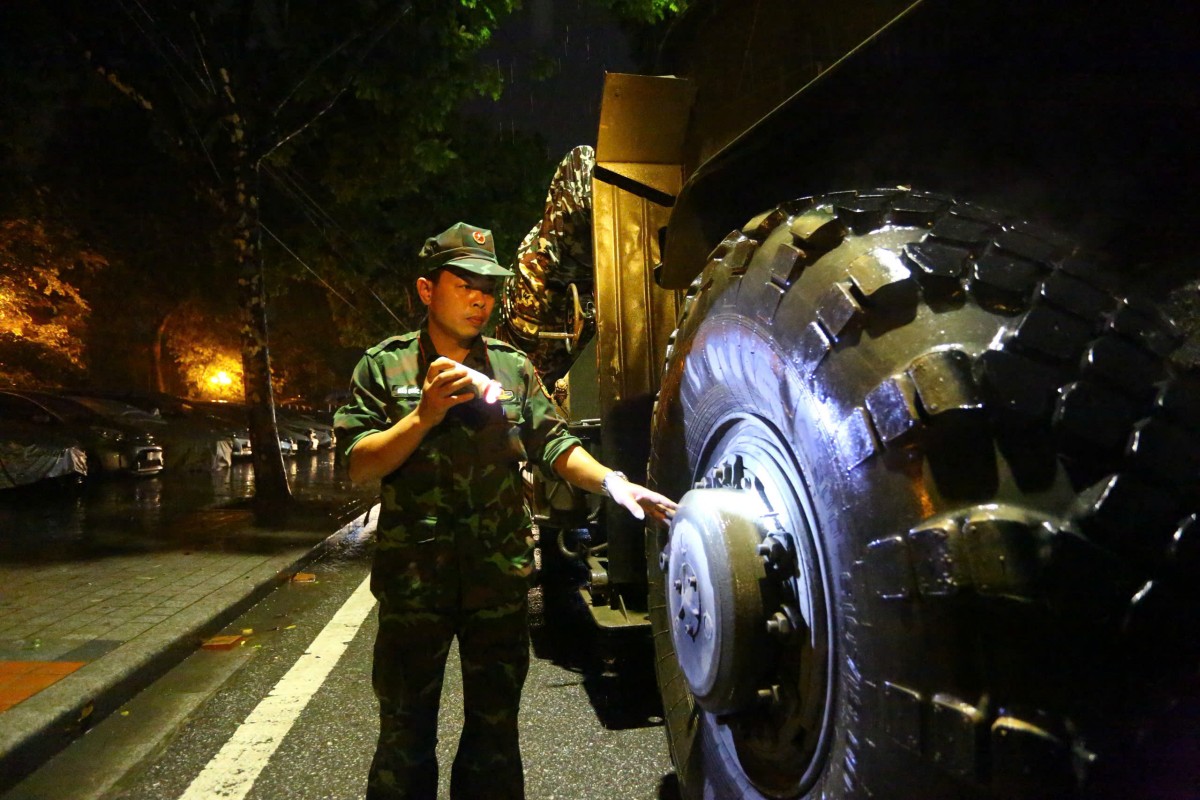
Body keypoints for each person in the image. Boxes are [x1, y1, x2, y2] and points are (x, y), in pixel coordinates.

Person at [334, 222, 676, 800]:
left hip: (498, 581)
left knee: (495, 735)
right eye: (464, 283)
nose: (480, 299)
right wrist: (423, 416)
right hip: (414, 584)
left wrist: (617, 484)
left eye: (489, 288)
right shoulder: (385, 366)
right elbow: (358, 463)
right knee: (404, 735)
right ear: (426, 289)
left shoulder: (513, 370)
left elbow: (556, 447)